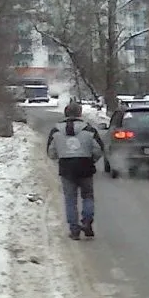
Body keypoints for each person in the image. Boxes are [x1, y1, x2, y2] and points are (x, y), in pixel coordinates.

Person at [46, 102, 105, 240]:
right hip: (85, 166)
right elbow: (99, 149)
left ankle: (74, 230)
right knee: (87, 196)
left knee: (70, 199)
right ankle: (87, 221)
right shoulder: (89, 130)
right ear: (80, 113)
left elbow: (51, 152)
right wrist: (92, 160)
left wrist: (61, 157)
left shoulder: (55, 131)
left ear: (65, 113)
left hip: (66, 167)